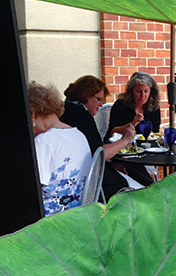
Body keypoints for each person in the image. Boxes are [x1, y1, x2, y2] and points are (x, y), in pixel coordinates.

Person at [61, 75, 141, 198]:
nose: (100, 104)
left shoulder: (68, 109)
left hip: (79, 177)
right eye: (98, 99)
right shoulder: (81, 116)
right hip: (90, 185)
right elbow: (98, 154)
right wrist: (125, 140)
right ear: (86, 95)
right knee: (139, 189)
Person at [28, 82, 92, 215]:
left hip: (47, 222)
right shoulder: (78, 134)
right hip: (78, 215)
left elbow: (27, 194)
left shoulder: (43, 142)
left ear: (32, 114)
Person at [104, 72, 162, 186]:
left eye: (146, 91)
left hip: (145, 150)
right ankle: (151, 187)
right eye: (138, 91)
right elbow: (113, 131)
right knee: (138, 172)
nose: (142, 95)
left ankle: (150, 187)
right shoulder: (121, 105)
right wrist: (132, 123)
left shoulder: (154, 108)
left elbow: (154, 133)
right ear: (131, 91)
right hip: (122, 151)